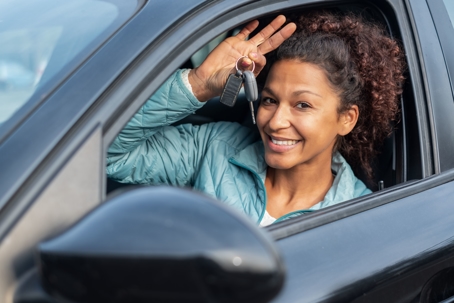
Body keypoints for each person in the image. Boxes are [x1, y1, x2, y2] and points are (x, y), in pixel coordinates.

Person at [107, 12, 405, 226]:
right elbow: (109, 153)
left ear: (346, 118)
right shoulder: (215, 148)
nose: (275, 122)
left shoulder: (361, 217)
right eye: (270, 100)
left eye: (302, 105)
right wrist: (197, 84)